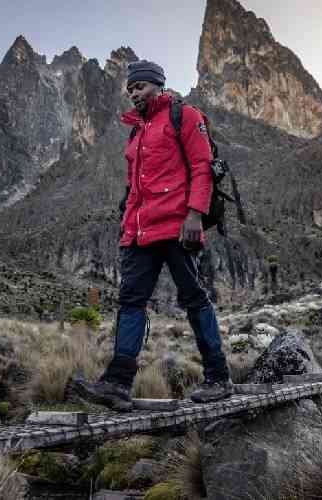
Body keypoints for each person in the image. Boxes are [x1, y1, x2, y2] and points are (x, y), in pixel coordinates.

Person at [74, 60, 234, 411]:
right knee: (130, 302)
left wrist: (195, 214)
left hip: (179, 226)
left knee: (194, 297)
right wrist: (126, 228)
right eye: (130, 89)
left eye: (140, 86)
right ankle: (117, 383)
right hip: (140, 233)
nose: (134, 93)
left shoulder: (185, 116)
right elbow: (134, 188)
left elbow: (202, 168)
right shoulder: (136, 133)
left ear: (158, 86)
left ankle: (218, 377)